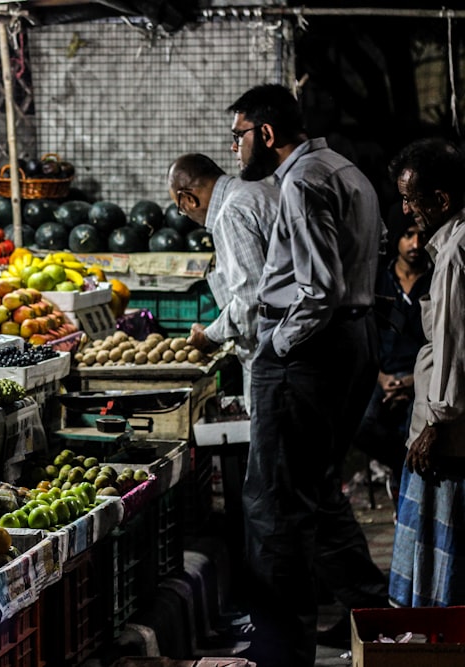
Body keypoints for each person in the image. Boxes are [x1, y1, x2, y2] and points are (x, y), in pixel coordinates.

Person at [226, 83, 389, 667]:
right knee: (313, 489)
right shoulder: (343, 168)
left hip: (310, 350)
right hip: (351, 340)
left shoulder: (301, 180)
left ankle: (279, 650)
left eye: (240, 136)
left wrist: (276, 345)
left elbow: (319, 289)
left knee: (273, 504)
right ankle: (372, 612)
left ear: (266, 134)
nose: (236, 149)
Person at [387, 137, 465, 608]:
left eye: (411, 200)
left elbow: (456, 349)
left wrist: (436, 423)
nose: (405, 211)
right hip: (449, 424)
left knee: (443, 569)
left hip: (449, 431)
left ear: (441, 200)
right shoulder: (450, 245)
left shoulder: (455, 253)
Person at [166, 153, 278, 413]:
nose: (185, 215)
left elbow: (251, 301)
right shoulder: (259, 190)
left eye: (180, 208)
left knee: (272, 447)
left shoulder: (231, 212)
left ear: (189, 199)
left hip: (273, 356)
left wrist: (211, 336)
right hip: (296, 346)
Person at [353, 211, 432, 504]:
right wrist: (382, 378)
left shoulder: (435, 279)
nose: (415, 242)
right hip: (383, 375)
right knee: (360, 425)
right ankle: (403, 468)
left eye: (420, 235)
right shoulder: (380, 282)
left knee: (419, 427)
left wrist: (414, 380)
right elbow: (365, 334)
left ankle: (409, 492)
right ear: (396, 239)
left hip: (423, 376)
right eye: (407, 235)